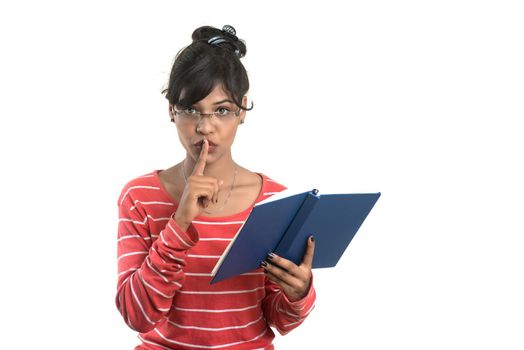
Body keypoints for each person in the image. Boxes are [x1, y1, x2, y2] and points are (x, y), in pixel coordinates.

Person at [116, 24, 316, 350]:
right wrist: (179, 223)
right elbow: (136, 316)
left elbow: (279, 320)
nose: (205, 127)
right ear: (171, 110)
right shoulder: (140, 197)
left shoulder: (274, 199)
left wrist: (298, 294)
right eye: (191, 109)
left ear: (242, 111)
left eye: (221, 110)